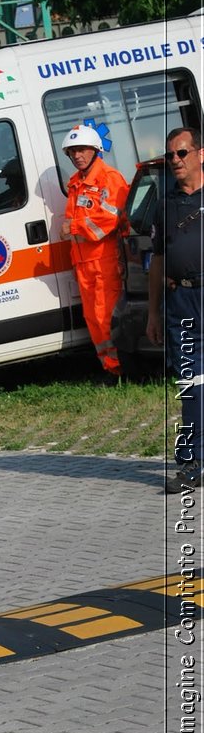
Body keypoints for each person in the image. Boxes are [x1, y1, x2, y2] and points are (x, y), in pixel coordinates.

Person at [146, 126, 204, 494]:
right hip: (181, 301)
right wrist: (153, 312)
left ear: (200, 153)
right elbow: (157, 262)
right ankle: (191, 464)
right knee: (189, 386)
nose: (176, 161)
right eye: (171, 156)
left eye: (182, 153)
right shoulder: (164, 204)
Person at [59, 124, 129, 377]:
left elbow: (107, 221)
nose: (77, 155)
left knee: (106, 317)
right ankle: (110, 368)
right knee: (93, 319)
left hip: (105, 261)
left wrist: (73, 227)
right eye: (72, 151)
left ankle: (122, 366)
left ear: (95, 150)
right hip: (83, 263)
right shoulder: (75, 183)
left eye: (82, 150)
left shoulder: (110, 178)